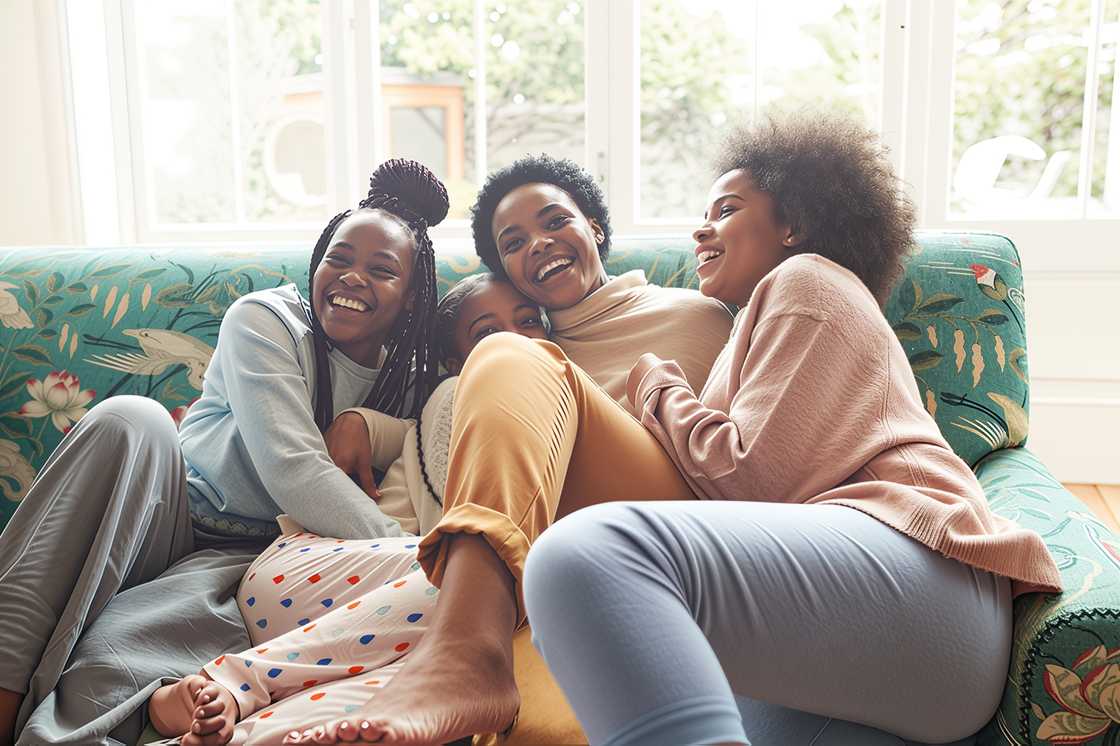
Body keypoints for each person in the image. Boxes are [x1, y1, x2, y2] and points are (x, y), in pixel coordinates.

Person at [521, 112, 1064, 746]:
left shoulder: (806, 279)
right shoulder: (750, 329)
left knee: (583, 556)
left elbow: (752, 477)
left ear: (794, 225)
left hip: (926, 570)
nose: (702, 229)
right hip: (886, 655)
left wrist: (656, 384)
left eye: (726, 209)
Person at [275, 154, 735, 744]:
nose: (539, 244)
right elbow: (445, 424)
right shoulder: (521, 340)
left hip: (669, 518)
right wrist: (367, 422)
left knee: (508, 356)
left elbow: (737, 444)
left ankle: (466, 652)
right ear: (509, 271)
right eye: (514, 242)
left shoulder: (697, 316)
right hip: (554, 560)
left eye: (555, 222)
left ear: (593, 226)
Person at [0, 158, 448, 745]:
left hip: (253, 558)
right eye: (338, 259)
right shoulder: (267, 320)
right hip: (166, 513)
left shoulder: (415, 379)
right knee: (131, 418)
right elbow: (293, 469)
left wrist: (370, 426)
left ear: (413, 297)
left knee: (125, 663)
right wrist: (420, 559)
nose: (352, 278)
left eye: (381, 270)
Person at [144, 274, 553, 745]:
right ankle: (236, 679)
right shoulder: (458, 396)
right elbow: (466, 504)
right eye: (487, 332)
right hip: (308, 569)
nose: (515, 338)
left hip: (383, 620)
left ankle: (233, 730)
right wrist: (361, 423)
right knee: (505, 576)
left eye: (529, 322)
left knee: (417, 693)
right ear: (453, 360)